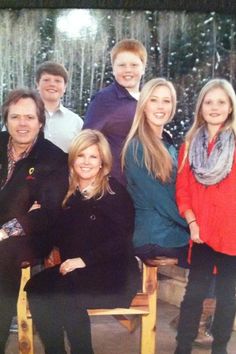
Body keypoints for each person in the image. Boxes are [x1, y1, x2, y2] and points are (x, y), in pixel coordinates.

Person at [25, 129, 140, 354]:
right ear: (73, 159)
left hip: (113, 273)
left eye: (93, 156)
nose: (86, 162)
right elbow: (54, 234)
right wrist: (35, 216)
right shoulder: (68, 194)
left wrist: (84, 260)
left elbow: (121, 240)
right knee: (36, 288)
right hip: (77, 270)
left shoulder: (114, 192)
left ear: (102, 162)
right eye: (81, 155)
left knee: (65, 291)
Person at [0, 88, 68, 351]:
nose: (22, 124)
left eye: (29, 117)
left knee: (4, 258)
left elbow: (46, 213)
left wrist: (7, 229)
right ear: (6, 120)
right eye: (15, 117)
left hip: (35, 236)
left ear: (41, 122)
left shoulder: (53, 158)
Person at [174, 78, 236, 354]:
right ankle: (182, 347)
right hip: (200, 234)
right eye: (209, 102)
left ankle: (220, 348)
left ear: (231, 106)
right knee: (194, 295)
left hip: (233, 235)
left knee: (227, 297)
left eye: (221, 102)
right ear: (201, 107)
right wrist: (192, 221)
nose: (214, 107)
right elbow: (182, 189)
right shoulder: (189, 144)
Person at [122, 78, 189, 266]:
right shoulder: (137, 148)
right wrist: (196, 227)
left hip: (173, 233)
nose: (160, 106)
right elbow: (163, 202)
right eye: (153, 100)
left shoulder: (167, 145)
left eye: (166, 101)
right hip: (157, 237)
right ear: (143, 105)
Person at [83, 38, 147, 185]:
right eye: (122, 65)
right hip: (114, 184)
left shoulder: (148, 99)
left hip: (142, 184)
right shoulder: (105, 99)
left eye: (134, 64)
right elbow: (86, 140)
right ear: (113, 68)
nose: (128, 70)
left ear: (143, 68)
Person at [36, 61, 83, 152]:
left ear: (65, 87)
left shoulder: (76, 122)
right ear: (37, 84)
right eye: (46, 80)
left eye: (57, 81)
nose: (52, 84)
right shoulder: (20, 117)